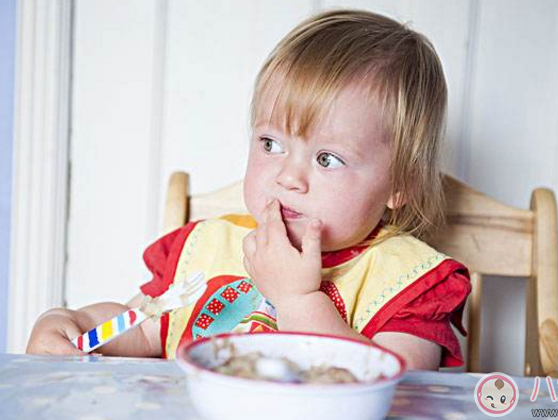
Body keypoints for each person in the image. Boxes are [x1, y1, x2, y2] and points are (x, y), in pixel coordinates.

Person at [27, 9, 471, 370]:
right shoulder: (205, 248)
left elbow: (397, 388)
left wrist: (298, 299)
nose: (288, 177)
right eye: (271, 144)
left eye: (326, 158)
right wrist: (74, 324)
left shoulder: (408, 283)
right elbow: (143, 327)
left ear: (400, 185)